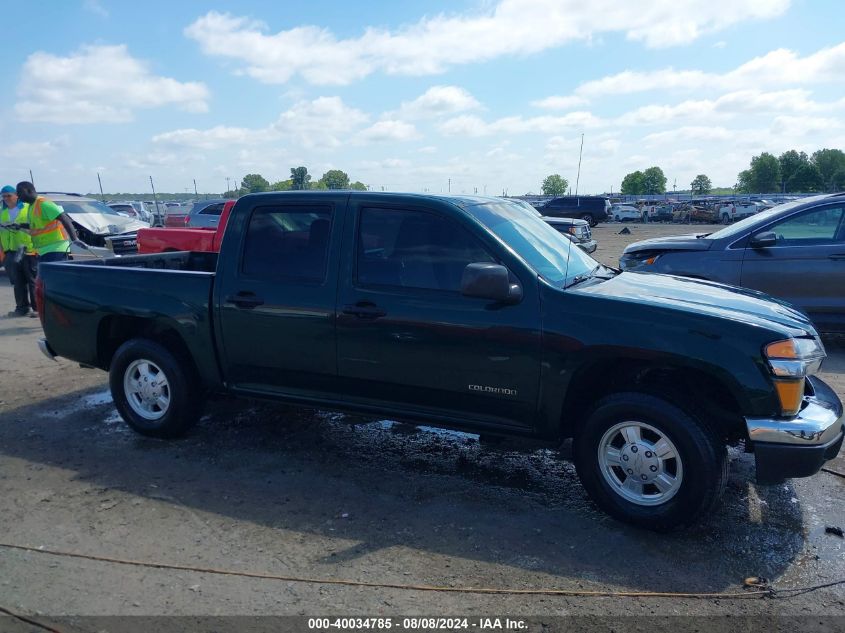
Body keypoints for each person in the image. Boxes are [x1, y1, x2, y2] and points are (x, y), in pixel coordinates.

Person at [15, 181, 83, 263]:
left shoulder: (44, 204)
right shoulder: (31, 206)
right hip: (44, 250)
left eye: (19, 193)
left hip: (56, 249)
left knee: (52, 275)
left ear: (29, 190)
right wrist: (19, 225)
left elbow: (65, 219)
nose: (18, 196)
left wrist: (74, 239)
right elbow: (36, 226)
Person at [1, 185, 38, 316]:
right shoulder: (2, 212)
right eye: (3, 196)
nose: (6, 199)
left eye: (8, 195)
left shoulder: (28, 209)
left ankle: (37, 309)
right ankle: (22, 308)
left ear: (16, 195)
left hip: (28, 250)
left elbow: (35, 227)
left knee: (32, 281)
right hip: (10, 251)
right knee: (17, 281)